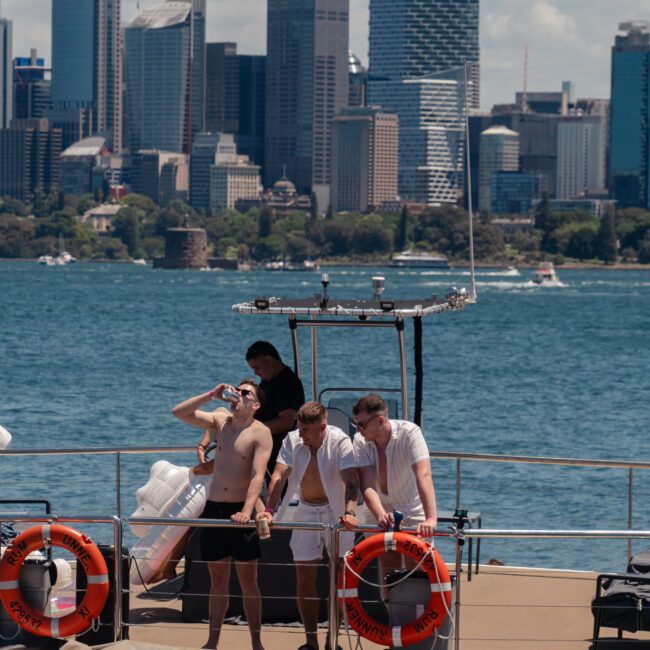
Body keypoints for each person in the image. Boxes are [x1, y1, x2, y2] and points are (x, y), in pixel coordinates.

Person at [172, 380, 272, 650]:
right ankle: (212, 642)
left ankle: (256, 643)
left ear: (255, 404)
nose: (238, 395)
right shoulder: (221, 420)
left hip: (241, 509)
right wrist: (210, 395)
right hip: (215, 508)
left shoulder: (261, 432)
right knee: (218, 581)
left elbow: (257, 476)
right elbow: (179, 413)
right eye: (237, 391)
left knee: (248, 582)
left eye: (245, 393)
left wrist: (247, 512)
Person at [256, 401, 358, 650]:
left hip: (336, 512)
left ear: (322, 427)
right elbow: (279, 476)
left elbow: (351, 483)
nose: (300, 434)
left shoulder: (341, 441)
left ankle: (331, 640)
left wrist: (350, 512)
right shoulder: (292, 440)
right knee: (304, 577)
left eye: (306, 431)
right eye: (299, 428)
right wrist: (269, 511)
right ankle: (310, 641)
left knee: (339, 580)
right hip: (305, 510)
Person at [352, 394, 437, 575]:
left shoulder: (410, 432)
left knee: (418, 565)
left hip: (411, 506)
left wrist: (431, 519)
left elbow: (424, 475)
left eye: (362, 425)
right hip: (379, 506)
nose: (358, 430)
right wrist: (381, 515)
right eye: (356, 425)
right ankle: (391, 603)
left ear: (380, 420)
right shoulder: (360, 440)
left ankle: (421, 604)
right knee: (388, 564)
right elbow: (366, 484)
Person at [246, 340, 305, 475]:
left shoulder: (288, 383)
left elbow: (286, 422)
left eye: (256, 367)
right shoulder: (267, 381)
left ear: (268, 360)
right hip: (263, 449)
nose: (255, 372)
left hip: (279, 453)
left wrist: (251, 431)